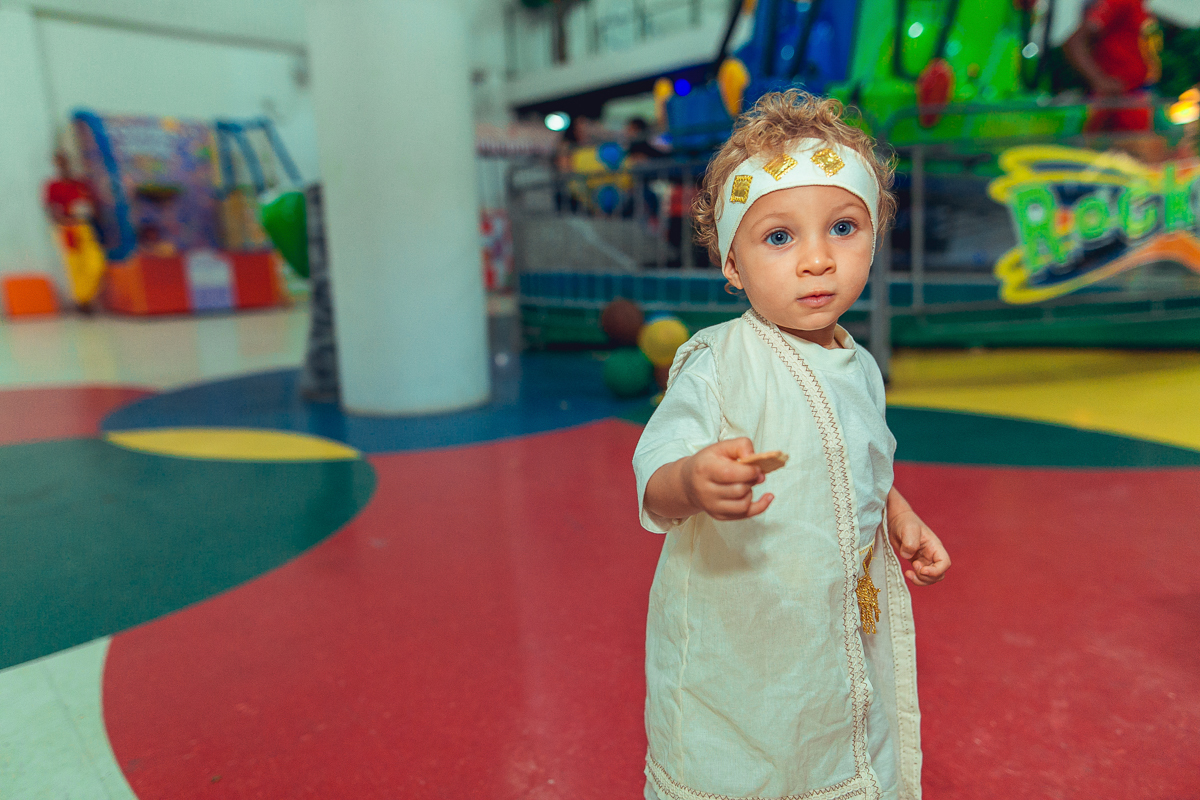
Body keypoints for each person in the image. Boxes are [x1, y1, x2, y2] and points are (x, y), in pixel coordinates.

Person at [633, 90, 951, 800]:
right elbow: (654, 468)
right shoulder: (718, 362)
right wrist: (693, 480)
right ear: (733, 265)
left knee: (830, 739)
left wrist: (897, 514)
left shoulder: (860, 365)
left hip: (826, 627)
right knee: (742, 758)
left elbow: (856, 455)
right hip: (739, 639)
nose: (816, 260)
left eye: (842, 227)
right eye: (780, 237)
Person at [1064, 0, 1162, 134]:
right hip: (1120, 100)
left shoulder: (1138, 5)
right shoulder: (1119, 2)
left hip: (1134, 97)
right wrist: (1100, 80)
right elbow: (1075, 42)